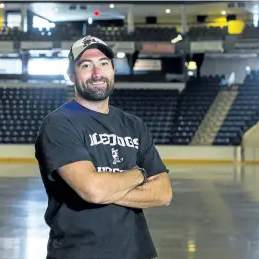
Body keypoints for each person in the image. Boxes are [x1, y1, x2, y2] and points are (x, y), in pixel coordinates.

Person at [34, 35, 173, 259]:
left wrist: (105, 188)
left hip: (137, 251)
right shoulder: (59, 123)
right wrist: (139, 174)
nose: (97, 73)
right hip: (79, 253)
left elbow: (164, 193)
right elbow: (93, 190)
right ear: (71, 75)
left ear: (113, 70)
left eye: (104, 63)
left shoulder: (133, 124)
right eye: (86, 65)